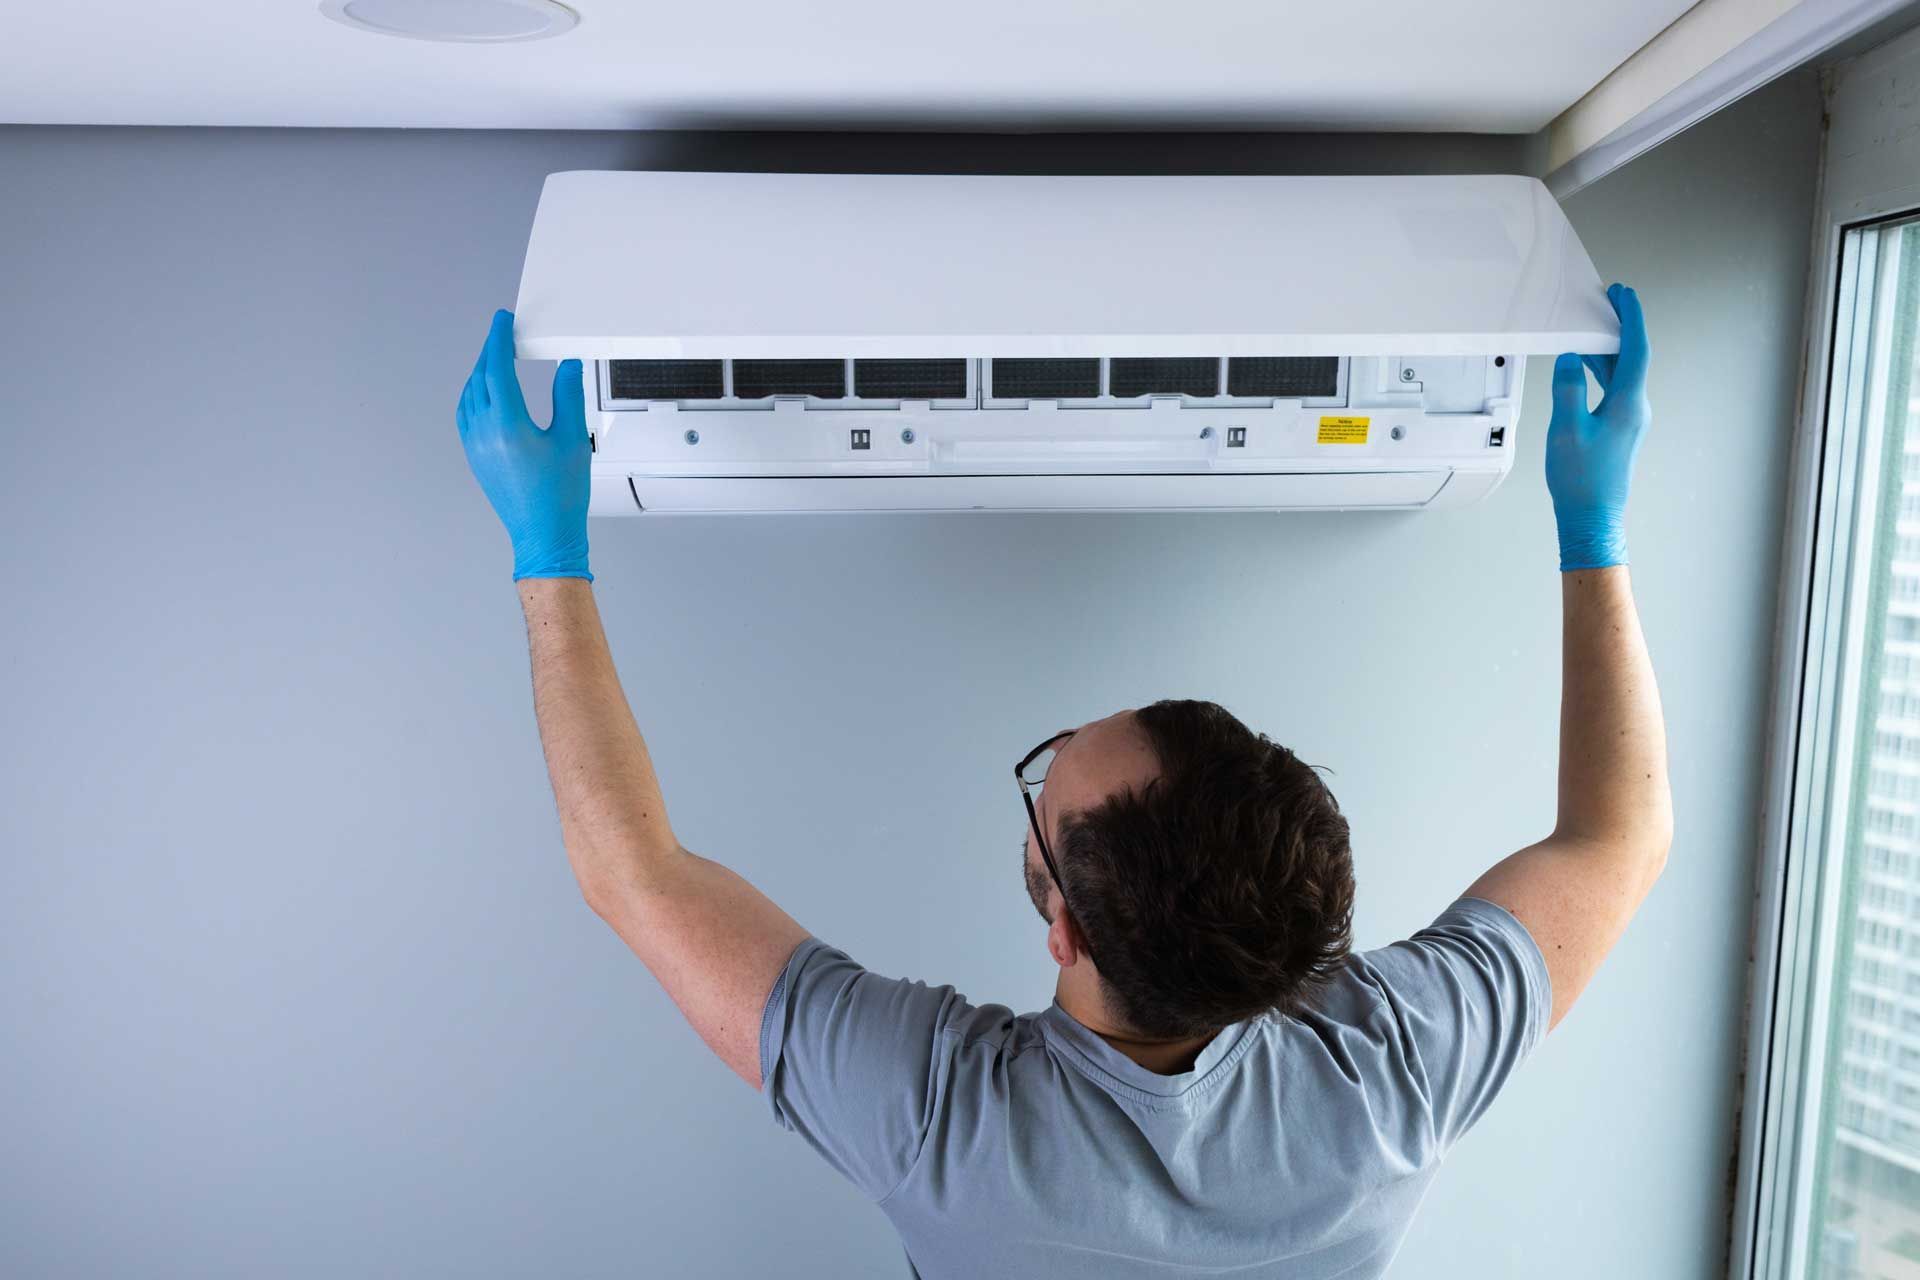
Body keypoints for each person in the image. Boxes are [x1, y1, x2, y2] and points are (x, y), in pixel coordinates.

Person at [454, 284, 1669, 1278]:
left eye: (1045, 782)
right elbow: (1621, 838)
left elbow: (635, 871)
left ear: (1065, 927)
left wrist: (545, 551)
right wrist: (1595, 527)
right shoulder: (1390, 1072)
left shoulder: (940, 1121)